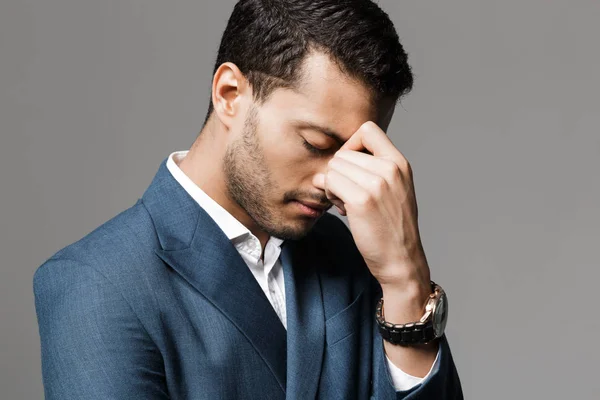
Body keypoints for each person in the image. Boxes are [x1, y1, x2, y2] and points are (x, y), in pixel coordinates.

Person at [33, 0, 463, 398]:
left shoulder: (350, 251)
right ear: (230, 95)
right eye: (316, 143)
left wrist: (406, 279)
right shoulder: (96, 283)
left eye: (358, 155)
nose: (334, 182)